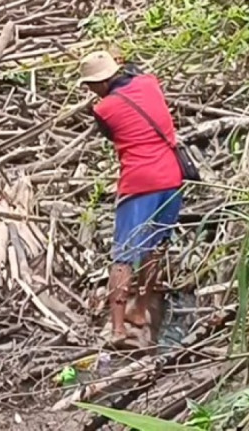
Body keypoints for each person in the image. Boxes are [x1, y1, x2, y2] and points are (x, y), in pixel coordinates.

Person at [78, 50, 183, 348]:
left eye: (90, 85)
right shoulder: (149, 83)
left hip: (139, 182)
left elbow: (112, 135)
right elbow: (137, 74)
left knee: (123, 255)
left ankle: (118, 328)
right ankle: (142, 309)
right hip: (172, 178)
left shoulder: (104, 109)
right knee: (157, 245)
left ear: (99, 83)